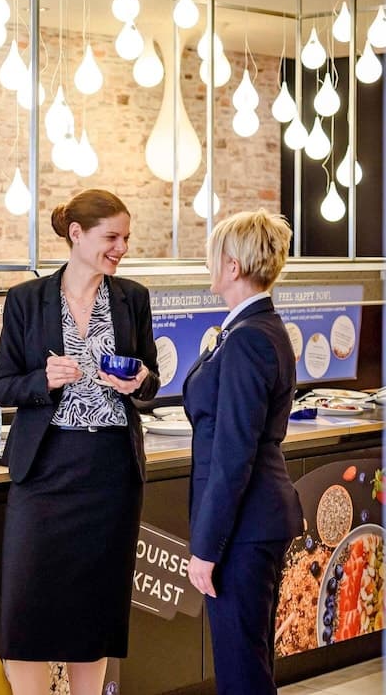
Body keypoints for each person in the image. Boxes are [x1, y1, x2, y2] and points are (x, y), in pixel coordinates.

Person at [0, 188, 159, 695]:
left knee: (94, 616)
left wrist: (139, 382)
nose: (121, 248)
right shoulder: (26, 300)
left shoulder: (132, 298)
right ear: (77, 234)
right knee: (26, 618)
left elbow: (151, 381)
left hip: (110, 474)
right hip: (44, 472)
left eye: (126, 238)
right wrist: (42, 380)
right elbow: (1, 386)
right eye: (112, 237)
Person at [184, 209, 303, 694]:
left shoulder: (248, 338)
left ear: (232, 266)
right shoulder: (255, 329)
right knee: (250, 666)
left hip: (244, 528)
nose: (208, 264)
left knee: (242, 675)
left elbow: (233, 456)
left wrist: (206, 548)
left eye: (214, 256)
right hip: (255, 522)